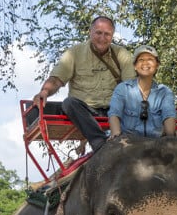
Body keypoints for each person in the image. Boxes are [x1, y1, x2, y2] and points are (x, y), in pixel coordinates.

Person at [33, 16, 135, 153]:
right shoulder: (74, 53)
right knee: (69, 103)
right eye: (98, 33)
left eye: (107, 34)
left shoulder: (122, 54)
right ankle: (100, 143)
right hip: (86, 111)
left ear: (112, 36)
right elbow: (56, 79)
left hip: (114, 110)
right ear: (90, 32)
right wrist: (44, 92)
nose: (102, 38)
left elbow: (131, 86)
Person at [108, 45, 177, 139]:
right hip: (129, 141)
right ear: (135, 66)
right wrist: (116, 136)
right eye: (141, 60)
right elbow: (114, 114)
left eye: (150, 59)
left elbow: (169, 116)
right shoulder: (123, 88)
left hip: (156, 142)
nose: (145, 63)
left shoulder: (164, 92)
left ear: (157, 65)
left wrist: (171, 137)